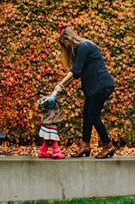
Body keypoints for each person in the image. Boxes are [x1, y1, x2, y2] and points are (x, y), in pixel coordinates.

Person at [53, 27, 116, 159]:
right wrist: (63, 85)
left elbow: (75, 70)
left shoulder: (84, 46)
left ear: (69, 39)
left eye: (66, 44)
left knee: (93, 116)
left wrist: (60, 85)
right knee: (87, 115)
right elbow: (78, 72)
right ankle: (85, 146)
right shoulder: (81, 49)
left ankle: (108, 145)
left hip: (101, 86)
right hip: (94, 88)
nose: (67, 47)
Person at [37, 91, 66, 159]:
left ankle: (42, 152)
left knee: (47, 139)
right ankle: (56, 152)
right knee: (54, 139)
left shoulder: (45, 104)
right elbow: (52, 99)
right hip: (51, 124)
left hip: (46, 123)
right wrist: (55, 92)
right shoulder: (51, 103)